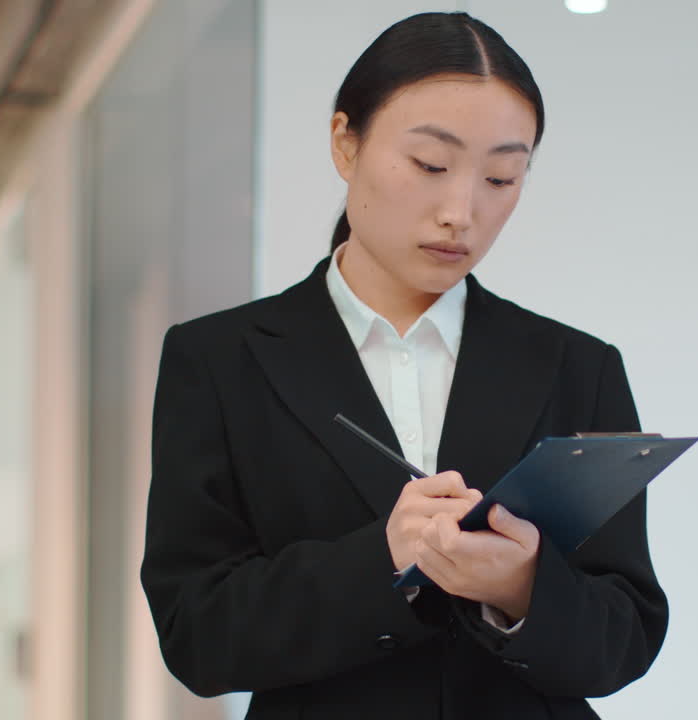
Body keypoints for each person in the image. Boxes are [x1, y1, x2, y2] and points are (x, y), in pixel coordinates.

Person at [140, 11, 668, 719]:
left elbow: (626, 636)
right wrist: (382, 558)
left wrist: (521, 587)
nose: (462, 211)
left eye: (502, 178)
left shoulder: (578, 366)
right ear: (344, 143)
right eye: (430, 165)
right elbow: (197, 635)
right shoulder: (219, 361)